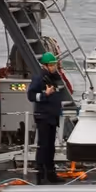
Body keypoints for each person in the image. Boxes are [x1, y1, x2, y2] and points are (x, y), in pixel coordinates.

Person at [26, 52, 66, 184]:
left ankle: (50, 174)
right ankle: (40, 175)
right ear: (45, 66)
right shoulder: (39, 78)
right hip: (43, 116)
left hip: (52, 116)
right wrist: (45, 95)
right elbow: (31, 96)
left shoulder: (53, 77)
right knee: (43, 146)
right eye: (51, 65)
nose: (54, 67)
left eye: (55, 64)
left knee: (50, 147)